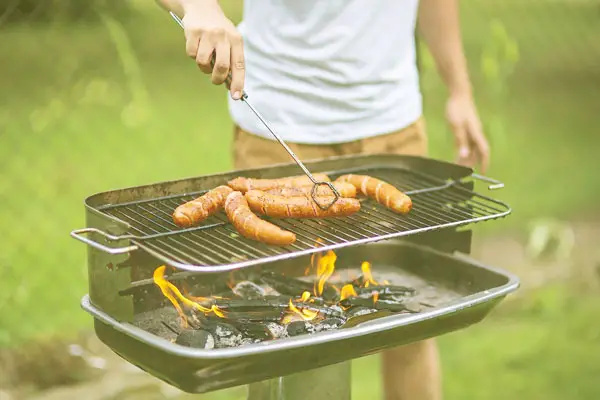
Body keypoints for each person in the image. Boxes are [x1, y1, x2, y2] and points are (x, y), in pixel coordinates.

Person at [159, 1, 490, 399]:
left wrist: (460, 90)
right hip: (278, 128)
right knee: (283, 335)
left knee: (411, 325)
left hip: (393, 127)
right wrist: (199, 7)